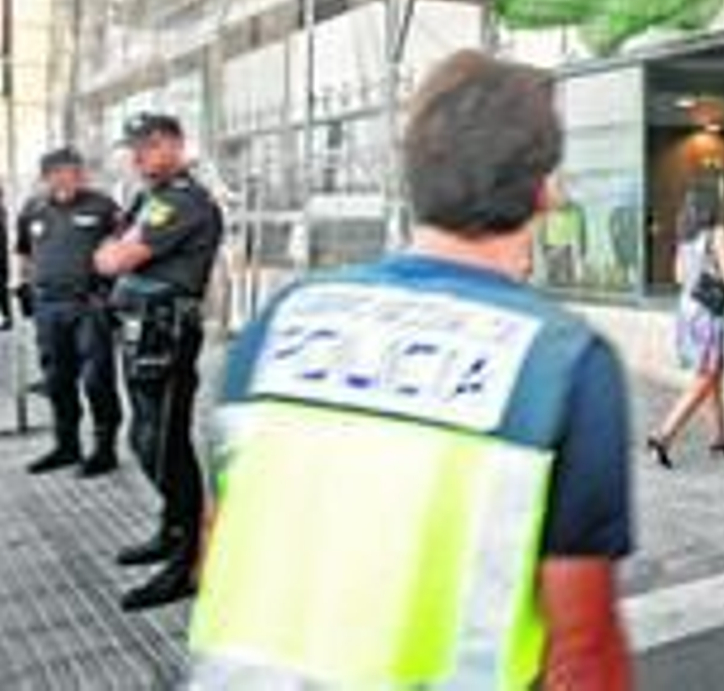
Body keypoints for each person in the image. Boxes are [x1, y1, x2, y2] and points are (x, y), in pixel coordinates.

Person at [187, 51, 633, 688]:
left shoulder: (280, 322)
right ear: (546, 190)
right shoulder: (560, 362)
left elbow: (219, 548)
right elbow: (584, 650)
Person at [93, 114, 223, 611]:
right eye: (134, 149)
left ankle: (188, 560)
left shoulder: (182, 201)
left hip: (166, 333)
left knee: (162, 443)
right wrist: (117, 251)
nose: (138, 157)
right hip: (141, 331)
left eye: (147, 147)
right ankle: (173, 530)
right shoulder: (148, 198)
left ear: (172, 144)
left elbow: (116, 258)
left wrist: (117, 254)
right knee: (146, 438)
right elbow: (115, 247)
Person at [17, 148, 123, 476]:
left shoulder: (103, 207)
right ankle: (67, 446)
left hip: (89, 306)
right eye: (61, 172)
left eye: (75, 170)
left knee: (96, 380)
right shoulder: (33, 209)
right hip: (48, 307)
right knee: (57, 379)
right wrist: (28, 286)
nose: (71, 177)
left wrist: (111, 297)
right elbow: (24, 252)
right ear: (47, 177)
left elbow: (126, 251)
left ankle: (105, 450)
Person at [646, 183, 724, 468]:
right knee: (705, 376)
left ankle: (720, 437)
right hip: (709, 311)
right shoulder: (717, 232)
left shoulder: (686, 238)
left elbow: (677, 276)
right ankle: (664, 434)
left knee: (715, 371)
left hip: (688, 309)